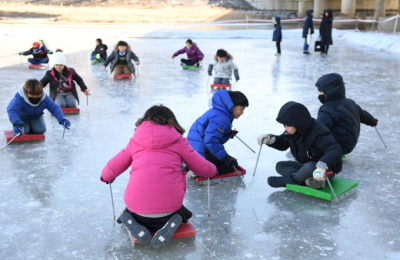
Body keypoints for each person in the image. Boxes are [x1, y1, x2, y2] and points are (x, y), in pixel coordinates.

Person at [100, 105, 217, 249]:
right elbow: (204, 168)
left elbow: (112, 168)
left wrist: (106, 177)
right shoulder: (179, 142)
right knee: (184, 213)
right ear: (172, 122)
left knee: (136, 205)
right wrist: (213, 171)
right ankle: (175, 220)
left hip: (137, 210)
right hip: (170, 210)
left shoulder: (134, 142)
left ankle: (128, 218)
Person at [257, 101, 342, 189]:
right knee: (280, 165)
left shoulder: (318, 132)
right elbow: (283, 143)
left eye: (287, 126)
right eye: (284, 126)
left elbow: (334, 149)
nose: (285, 129)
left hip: (323, 170)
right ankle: (309, 181)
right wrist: (271, 140)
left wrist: (323, 165)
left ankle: (292, 179)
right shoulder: (293, 132)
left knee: (310, 167)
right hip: (304, 166)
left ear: (298, 124)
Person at [186, 90, 249, 180]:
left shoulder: (217, 112)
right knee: (231, 165)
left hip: (195, 148)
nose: (242, 112)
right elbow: (211, 140)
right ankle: (199, 170)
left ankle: (192, 164)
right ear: (232, 106)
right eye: (241, 109)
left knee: (223, 160)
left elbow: (211, 134)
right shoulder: (222, 118)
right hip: (201, 150)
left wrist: (228, 133)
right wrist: (225, 158)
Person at [315, 73, 378, 155]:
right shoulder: (350, 102)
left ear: (329, 92)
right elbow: (363, 114)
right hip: (349, 144)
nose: (320, 94)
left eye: (321, 91)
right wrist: (372, 121)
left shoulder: (328, 109)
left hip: (338, 146)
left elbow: (319, 129)